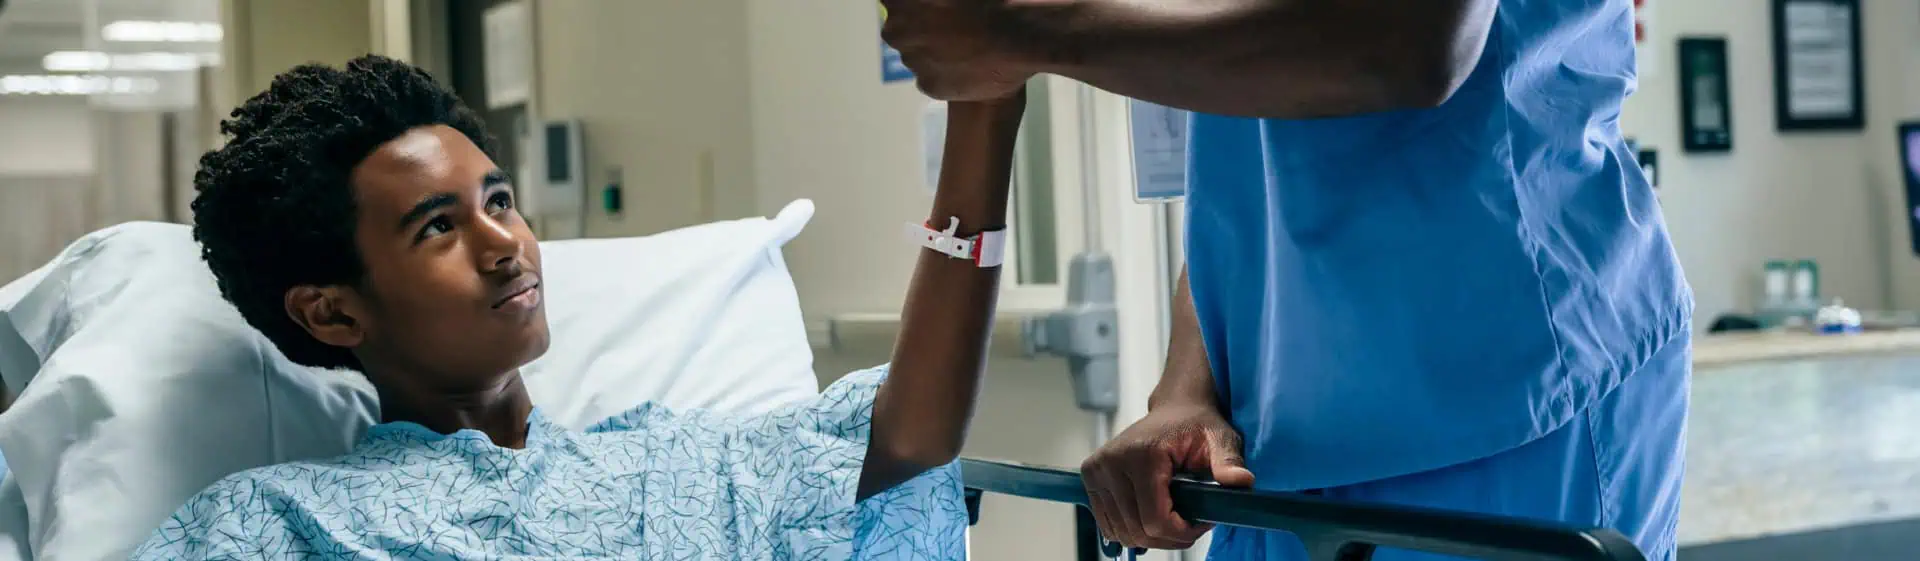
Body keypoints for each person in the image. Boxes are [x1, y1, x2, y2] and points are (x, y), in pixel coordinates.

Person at [882, 1, 1691, 560]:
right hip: (1277, 449)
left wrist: (1027, 31)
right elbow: (1245, 163)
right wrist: (1185, 394)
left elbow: (1407, 43)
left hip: (1504, 402)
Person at [131, 55, 1025, 560]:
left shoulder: (686, 462)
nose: (504, 244)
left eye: (500, 200)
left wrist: (985, 110)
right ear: (331, 314)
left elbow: (910, 436)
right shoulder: (273, 523)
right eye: (439, 227)